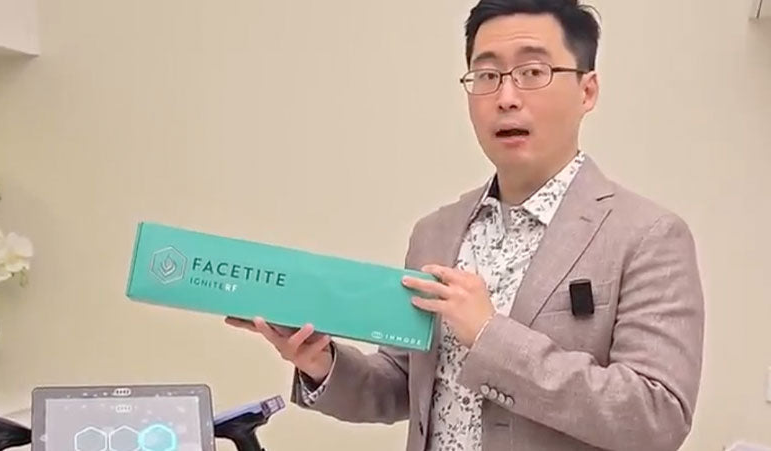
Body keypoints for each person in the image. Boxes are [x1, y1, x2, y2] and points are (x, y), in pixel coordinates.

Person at [226, 0, 705, 450]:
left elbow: (657, 415)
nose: (506, 97)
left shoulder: (646, 236)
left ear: (587, 90)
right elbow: (403, 383)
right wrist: (321, 362)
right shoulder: (434, 232)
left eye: (533, 72)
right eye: (487, 75)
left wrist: (490, 335)